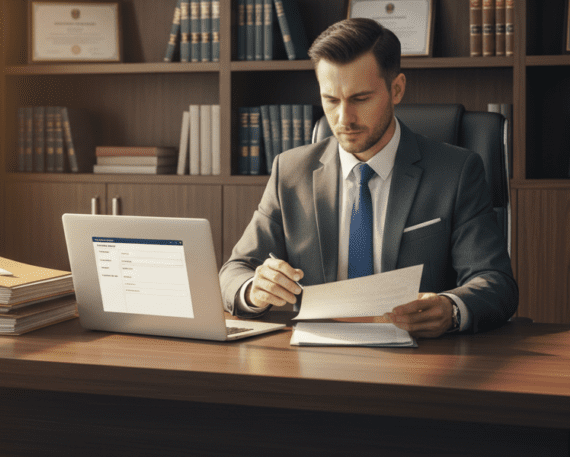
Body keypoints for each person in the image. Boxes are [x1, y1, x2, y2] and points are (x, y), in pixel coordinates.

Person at [219, 18, 518, 337]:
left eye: (360, 99)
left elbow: (495, 282)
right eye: (331, 100)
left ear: (397, 89)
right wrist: (254, 289)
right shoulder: (290, 172)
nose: (343, 118)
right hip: (313, 357)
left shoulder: (456, 172)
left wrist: (451, 308)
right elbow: (234, 272)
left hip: (418, 361)